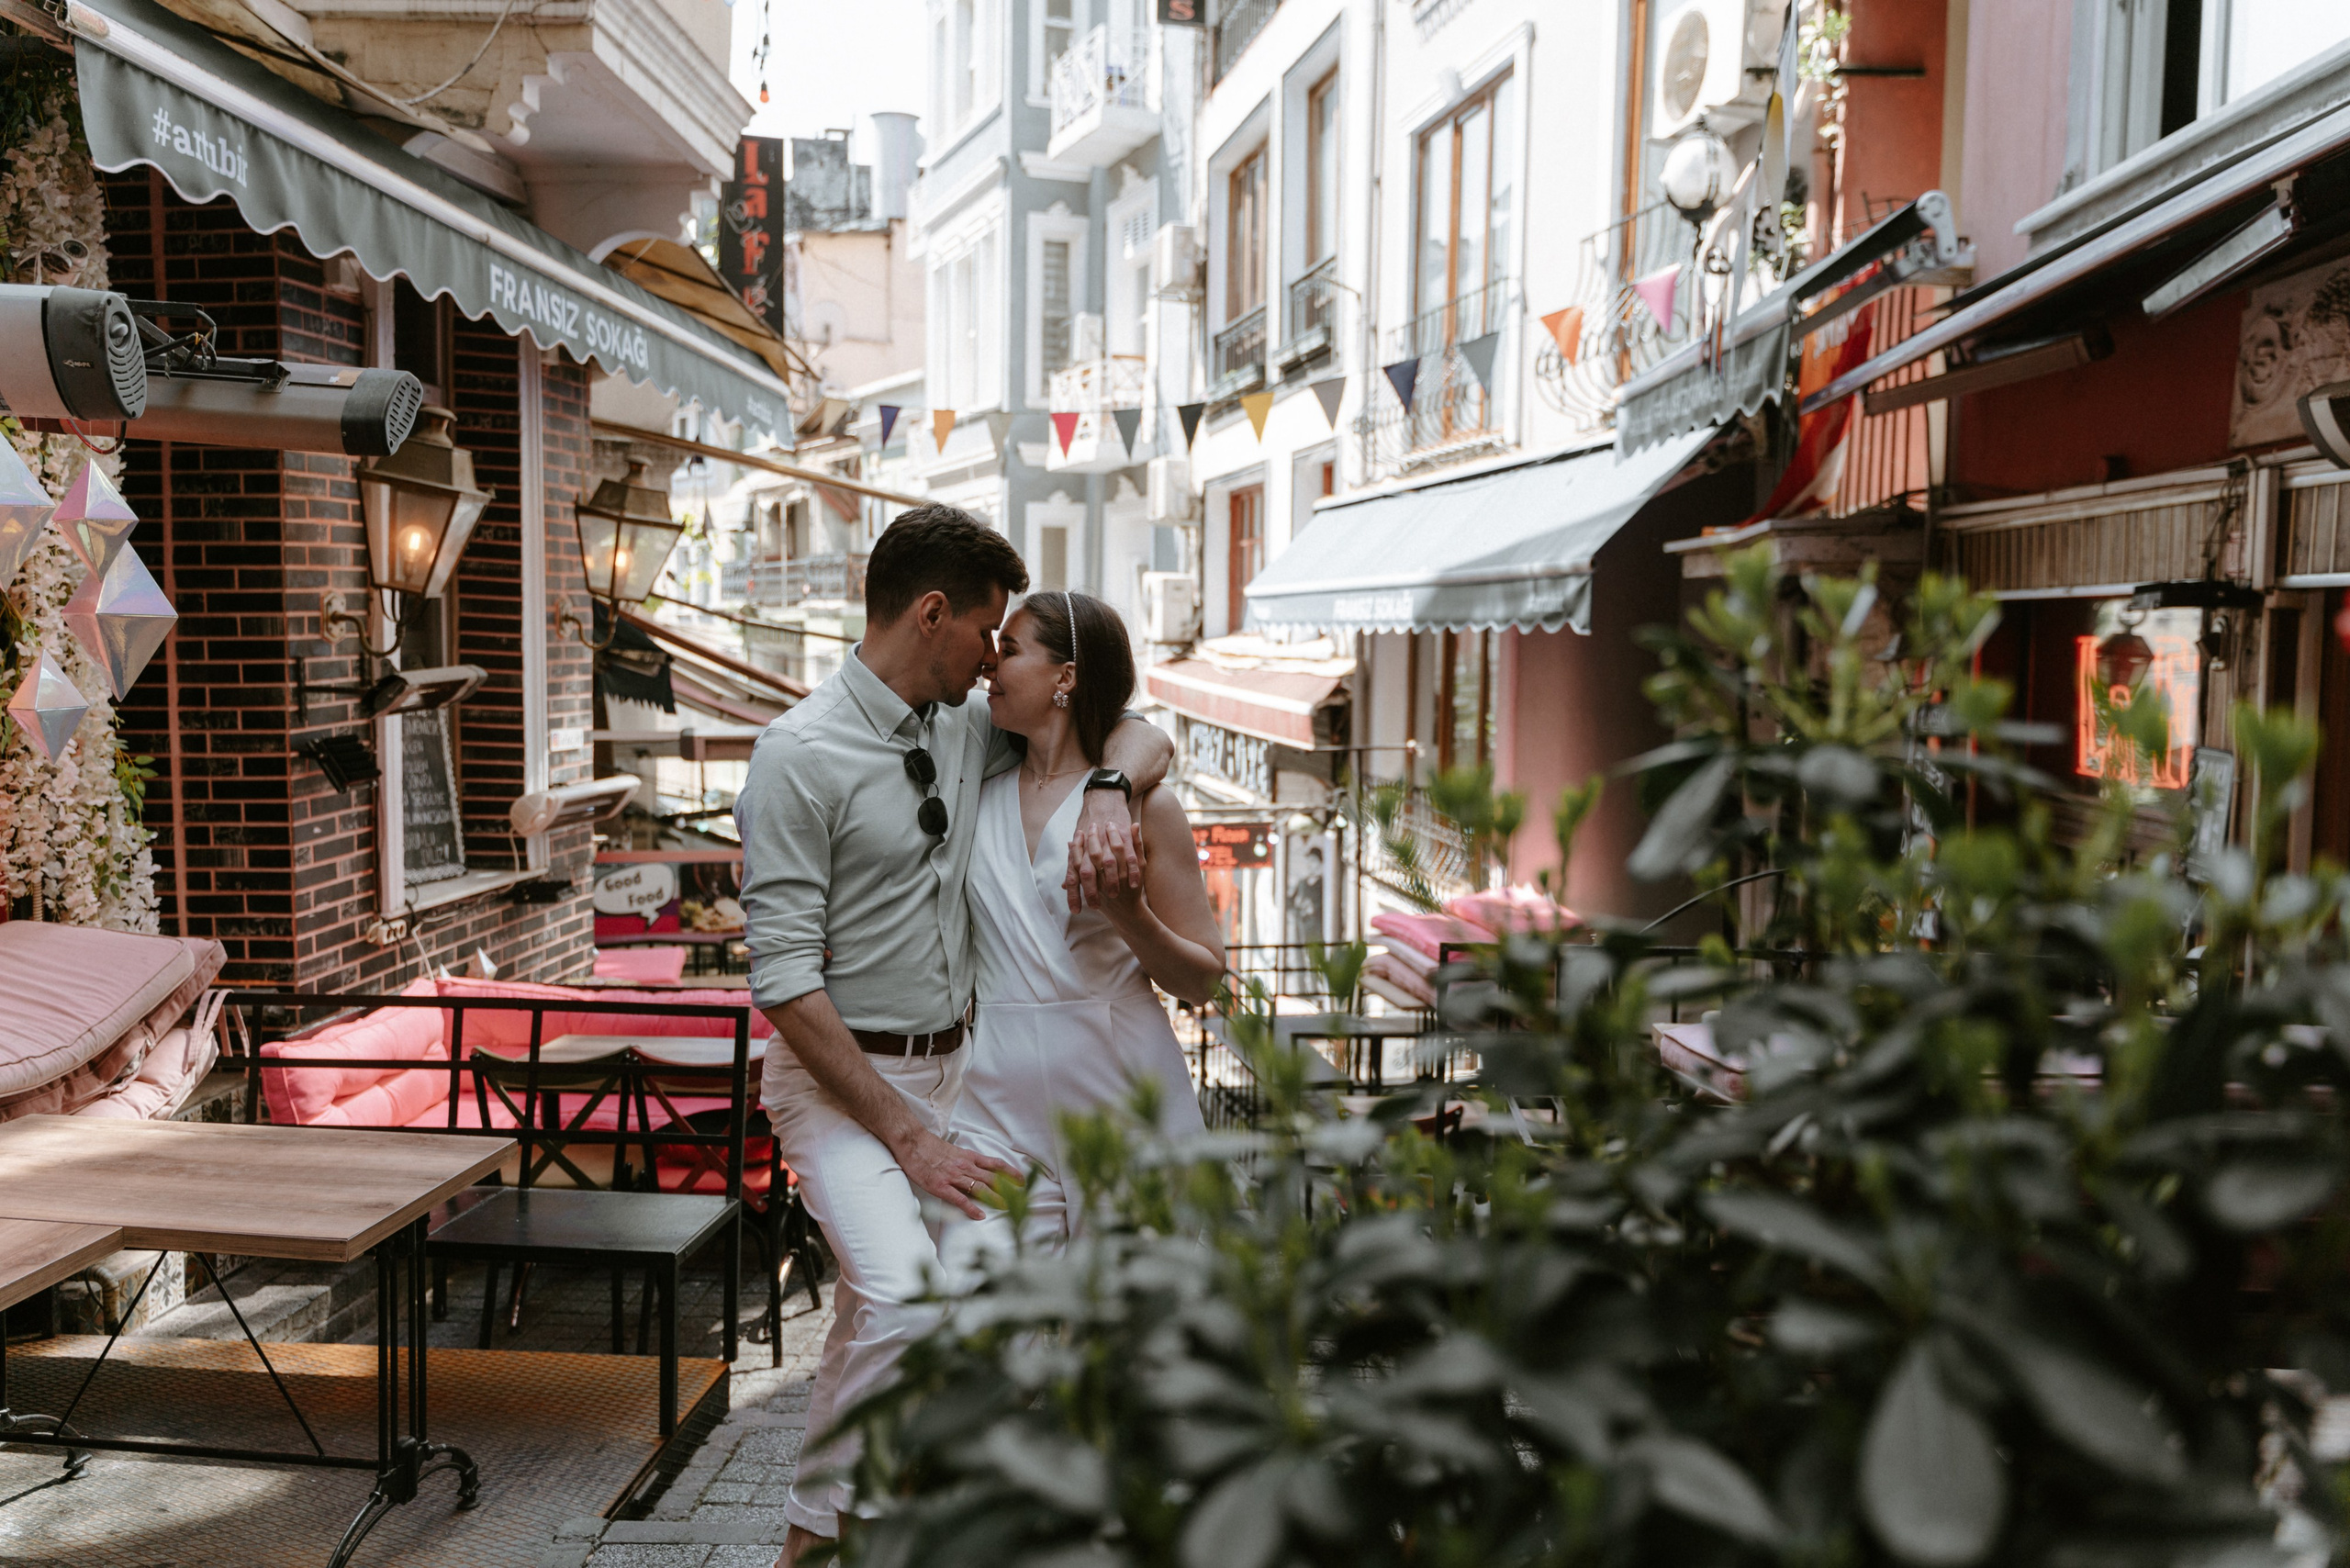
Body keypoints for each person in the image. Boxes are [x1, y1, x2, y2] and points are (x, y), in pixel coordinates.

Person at [734, 508, 1173, 1568]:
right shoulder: (795, 755)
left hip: (955, 1075)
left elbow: (1136, 724)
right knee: (902, 1295)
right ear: (931, 615)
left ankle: (805, 1539)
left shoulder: (959, 726)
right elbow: (783, 978)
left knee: (872, 1314)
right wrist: (908, 1134)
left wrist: (1114, 788)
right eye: (984, 634)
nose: (991, 664)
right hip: (840, 1084)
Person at [940, 591, 1223, 1272]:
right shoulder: (973, 787)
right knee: (975, 1310)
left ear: (1066, 676)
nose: (989, 665)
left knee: (1136, 1332)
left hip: (1121, 1083)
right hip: (994, 1095)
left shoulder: (1147, 807)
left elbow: (1204, 978)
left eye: (1009, 651)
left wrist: (1131, 917)